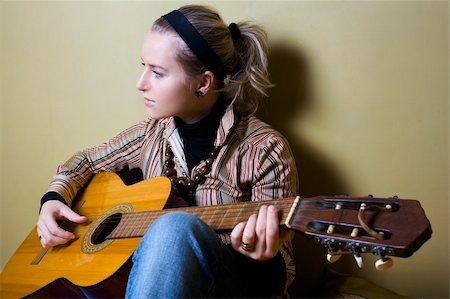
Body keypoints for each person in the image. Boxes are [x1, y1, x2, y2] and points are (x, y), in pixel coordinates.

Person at [37, 5, 299, 298]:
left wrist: (262, 259)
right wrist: (53, 198)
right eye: (143, 66)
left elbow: (282, 277)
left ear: (203, 83)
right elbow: (83, 161)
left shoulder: (264, 150)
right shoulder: (151, 133)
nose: (141, 84)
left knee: (174, 226)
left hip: (227, 289)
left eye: (158, 73)